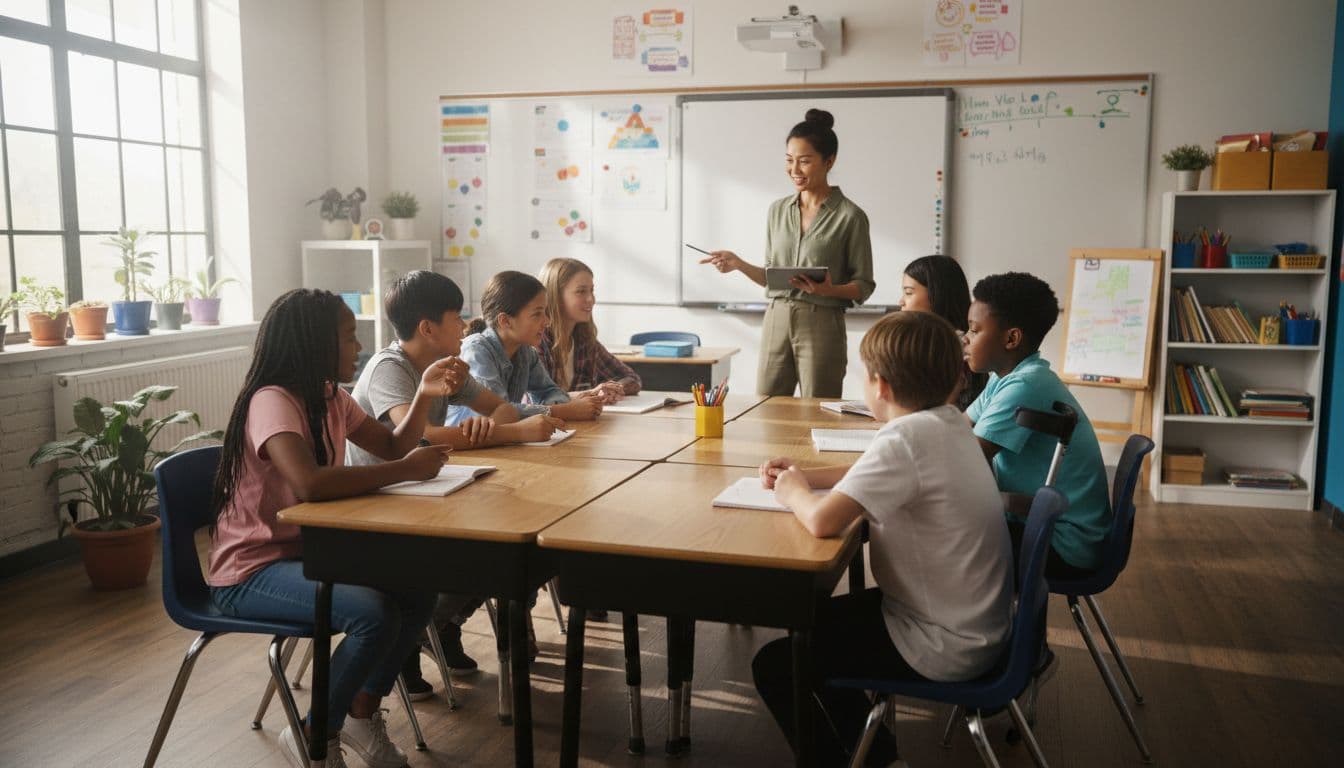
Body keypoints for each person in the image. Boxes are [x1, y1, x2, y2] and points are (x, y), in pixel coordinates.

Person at [207, 288, 457, 768]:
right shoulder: (272, 401)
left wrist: (423, 393)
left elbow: (391, 445)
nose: (359, 347)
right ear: (314, 344)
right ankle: (314, 733)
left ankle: (361, 712)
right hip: (250, 571)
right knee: (373, 615)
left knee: (417, 592)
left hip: (310, 554)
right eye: (348, 337)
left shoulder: (330, 396)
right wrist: (407, 470)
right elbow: (311, 483)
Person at [751, 311, 1012, 766]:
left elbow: (822, 523)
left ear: (881, 385)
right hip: (974, 626)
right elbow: (871, 472)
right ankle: (879, 756)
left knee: (780, 661)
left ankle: (869, 761)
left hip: (940, 640)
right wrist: (806, 476)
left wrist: (793, 492)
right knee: (808, 626)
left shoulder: (906, 440)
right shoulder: (947, 422)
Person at [345, 270, 566, 695]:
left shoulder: (447, 366)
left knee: (499, 541)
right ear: (428, 329)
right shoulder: (390, 368)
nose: (466, 326)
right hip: (381, 499)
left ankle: (438, 625)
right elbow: (414, 439)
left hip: (428, 487)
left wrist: (500, 421)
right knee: (480, 548)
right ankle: (412, 640)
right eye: (455, 317)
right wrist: (509, 432)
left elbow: (497, 407)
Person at [700, 108, 874, 398]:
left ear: (829, 161)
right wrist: (738, 264)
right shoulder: (778, 211)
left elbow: (864, 285)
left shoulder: (850, 216)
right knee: (766, 405)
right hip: (776, 317)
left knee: (819, 406)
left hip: (822, 319)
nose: (794, 170)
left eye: (804, 161)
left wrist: (830, 290)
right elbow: (772, 276)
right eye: (789, 160)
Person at [962, 271, 1112, 577]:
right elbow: (959, 428)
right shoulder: (1007, 378)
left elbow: (967, 459)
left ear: (1011, 338)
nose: (965, 337)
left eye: (975, 330)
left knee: (943, 544)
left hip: (1063, 542)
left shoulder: (1026, 386)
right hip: (1044, 524)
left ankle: (975, 624)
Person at [446, 270, 605, 426]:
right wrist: (565, 411)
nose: (547, 321)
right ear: (505, 321)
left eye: (545, 312)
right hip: (464, 448)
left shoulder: (525, 352)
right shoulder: (476, 351)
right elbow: (499, 412)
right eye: (537, 314)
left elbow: (550, 391)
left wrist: (561, 406)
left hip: (498, 443)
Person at [536, 257, 641, 400]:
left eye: (592, 291)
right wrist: (592, 393)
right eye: (581, 291)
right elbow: (539, 399)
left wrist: (613, 389)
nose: (591, 299)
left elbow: (631, 378)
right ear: (555, 295)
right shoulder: (536, 342)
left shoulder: (584, 341)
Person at [898, 254, 989, 410]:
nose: (901, 301)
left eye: (908, 293)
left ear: (936, 294)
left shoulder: (953, 345)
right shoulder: (927, 341)